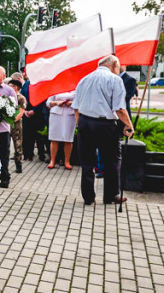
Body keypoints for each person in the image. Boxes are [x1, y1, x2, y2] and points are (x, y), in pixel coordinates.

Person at [73, 55, 134, 205]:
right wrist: (128, 125)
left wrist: (79, 125)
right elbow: (119, 108)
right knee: (112, 160)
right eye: (118, 67)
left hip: (85, 122)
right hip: (106, 125)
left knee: (87, 162)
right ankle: (111, 195)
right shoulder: (115, 80)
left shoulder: (84, 79)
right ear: (114, 65)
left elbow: (76, 108)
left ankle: (88, 197)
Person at [21, 68, 48, 162]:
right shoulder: (26, 84)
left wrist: (35, 110)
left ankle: (41, 155)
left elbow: (43, 99)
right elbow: (22, 97)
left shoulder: (41, 84)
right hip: (26, 113)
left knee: (39, 136)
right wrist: (24, 110)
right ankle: (28, 155)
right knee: (27, 136)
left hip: (38, 114)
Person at [46, 91, 76, 169]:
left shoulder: (75, 88)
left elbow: (79, 101)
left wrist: (72, 103)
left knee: (68, 139)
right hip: (56, 114)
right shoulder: (56, 88)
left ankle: (67, 161)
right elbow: (48, 103)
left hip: (70, 114)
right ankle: (52, 161)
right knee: (54, 138)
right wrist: (56, 102)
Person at [7, 77, 26, 173]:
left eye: (12, 86)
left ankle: (18, 164)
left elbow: (21, 112)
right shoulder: (7, 97)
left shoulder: (21, 98)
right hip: (6, 124)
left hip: (16, 124)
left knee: (17, 144)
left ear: (17, 87)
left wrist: (11, 121)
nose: (9, 88)